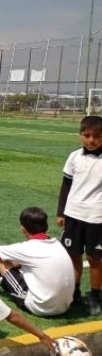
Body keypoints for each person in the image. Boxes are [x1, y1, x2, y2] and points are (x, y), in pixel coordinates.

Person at [0, 207, 74, 316]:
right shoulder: (57, 244)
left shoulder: (27, 248)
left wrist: (1, 254)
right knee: (16, 260)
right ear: (46, 226)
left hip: (40, 307)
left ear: (23, 228)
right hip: (65, 306)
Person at [56, 115, 102, 315]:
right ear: (80, 135)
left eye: (97, 136)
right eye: (87, 135)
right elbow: (66, 186)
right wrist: (61, 212)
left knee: (95, 259)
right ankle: (74, 293)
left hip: (97, 218)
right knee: (73, 255)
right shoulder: (74, 157)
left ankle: (95, 296)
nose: (91, 140)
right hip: (73, 215)